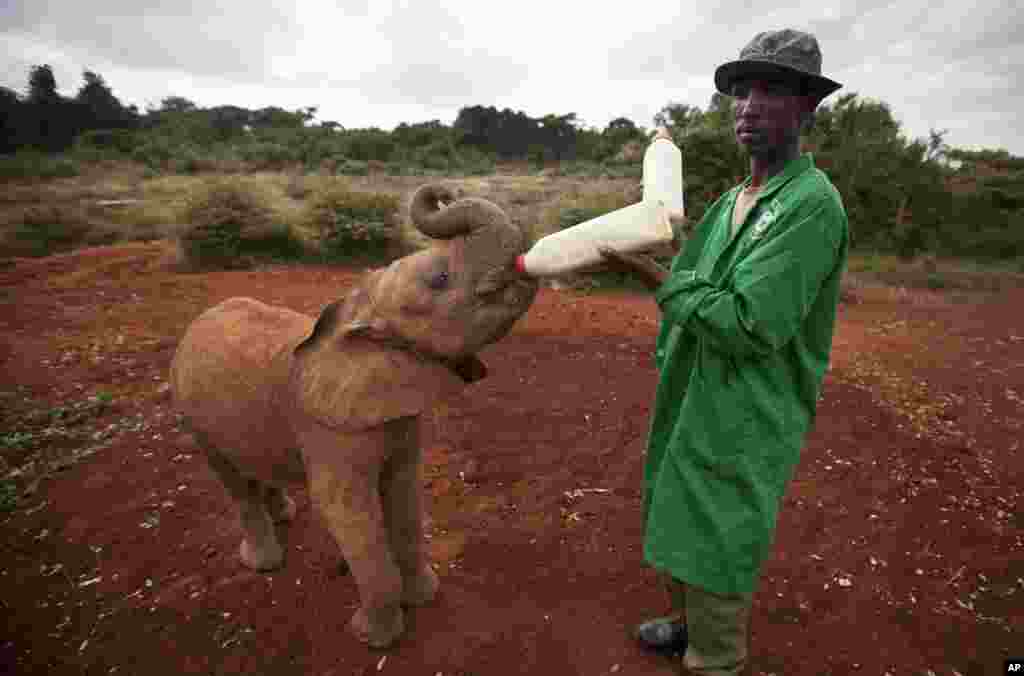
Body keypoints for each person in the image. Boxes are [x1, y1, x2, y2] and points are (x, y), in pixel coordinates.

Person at [598, 29, 849, 675]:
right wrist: (651, 249)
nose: (749, 106)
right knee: (682, 504)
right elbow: (693, 274)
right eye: (742, 91)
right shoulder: (734, 200)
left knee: (721, 519)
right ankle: (688, 625)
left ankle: (716, 658)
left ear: (806, 106)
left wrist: (654, 278)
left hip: (748, 399)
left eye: (772, 90)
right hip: (697, 383)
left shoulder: (810, 206)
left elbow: (749, 323)